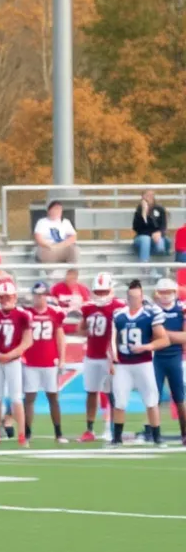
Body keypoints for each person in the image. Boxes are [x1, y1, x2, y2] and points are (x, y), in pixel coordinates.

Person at [110, 281, 168, 447]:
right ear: (127, 297)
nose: (133, 300)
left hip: (143, 362)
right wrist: (111, 359)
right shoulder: (119, 315)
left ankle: (157, 437)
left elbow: (164, 340)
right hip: (123, 364)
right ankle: (117, 438)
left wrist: (146, 346)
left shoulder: (149, 314)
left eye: (136, 297)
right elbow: (112, 340)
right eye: (131, 297)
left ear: (142, 297)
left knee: (151, 400)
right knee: (120, 401)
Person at [0, 278, 32, 446]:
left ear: (15, 297)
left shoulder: (23, 316)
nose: (5, 300)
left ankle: (21, 435)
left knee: (16, 398)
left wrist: (10, 355)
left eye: (8, 297)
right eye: (2, 297)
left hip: (13, 361)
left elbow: (28, 341)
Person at [22, 281, 67, 444]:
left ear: (46, 295)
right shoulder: (26, 313)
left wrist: (62, 358)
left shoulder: (55, 312)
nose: (39, 298)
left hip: (49, 361)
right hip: (31, 362)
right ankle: (27, 432)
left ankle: (58, 432)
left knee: (53, 397)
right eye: (36, 295)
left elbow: (60, 337)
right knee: (29, 397)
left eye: (41, 295)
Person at [79, 272, 122, 442]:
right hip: (92, 355)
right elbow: (81, 329)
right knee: (91, 392)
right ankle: (89, 429)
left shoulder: (119, 307)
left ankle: (111, 428)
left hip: (109, 356)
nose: (101, 295)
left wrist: (115, 355)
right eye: (99, 292)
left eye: (104, 292)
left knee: (112, 394)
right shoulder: (88, 308)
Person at [152, 278, 186, 443]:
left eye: (168, 292)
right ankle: (155, 433)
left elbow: (185, 337)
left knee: (179, 398)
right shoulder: (152, 310)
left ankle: (185, 432)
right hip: (156, 358)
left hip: (175, 357)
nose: (165, 296)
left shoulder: (181, 309)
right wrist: (172, 336)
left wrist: (163, 335)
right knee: (154, 399)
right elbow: (151, 335)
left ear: (174, 292)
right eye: (162, 292)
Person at [133, 190, 169, 262]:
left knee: (161, 246)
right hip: (142, 238)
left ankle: (158, 266)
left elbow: (163, 226)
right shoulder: (139, 210)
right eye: (146, 196)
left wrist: (159, 233)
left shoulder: (160, 209)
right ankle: (144, 265)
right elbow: (137, 228)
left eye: (151, 195)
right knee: (146, 239)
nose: (149, 198)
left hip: (157, 237)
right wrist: (144, 214)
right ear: (142, 198)